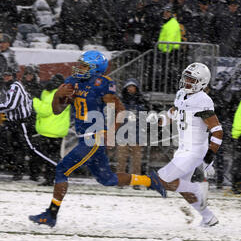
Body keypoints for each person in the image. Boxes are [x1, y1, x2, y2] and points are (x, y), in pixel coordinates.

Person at [29, 50, 166, 227]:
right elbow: (57, 110)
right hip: (83, 137)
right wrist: (58, 95)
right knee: (107, 179)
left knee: (62, 169)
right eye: (79, 64)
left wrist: (111, 132)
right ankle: (149, 180)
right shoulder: (73, 82)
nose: (79, 68)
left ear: (95, 69)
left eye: (84, 66)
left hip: (93, 137)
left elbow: (120, 110)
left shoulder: (101, 84)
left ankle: (51, 214)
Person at [154, 62, 223, 227]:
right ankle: (208, 218)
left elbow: (217, 130)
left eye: (192, 80)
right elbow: (175, 110)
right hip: (183, 148)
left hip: (195, 150)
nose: (187, 82)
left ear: (202, 82)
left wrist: (210, 155)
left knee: (162, 179)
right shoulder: (181, 94)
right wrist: (161, 120)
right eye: (186, 78)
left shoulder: (203, 100)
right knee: (181, 188)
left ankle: (196, 189)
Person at [31, 74, 69, 186]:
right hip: (54, 130)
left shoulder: (54, 94)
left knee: (47, 157)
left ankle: (50, 178)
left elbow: (46, 110)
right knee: (51, 157)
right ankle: (51, 177)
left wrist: (34, 100)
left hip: (50, 130)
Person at [116, 78, 150, 186]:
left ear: (136, 88)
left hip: (137, 134)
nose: (131, 89)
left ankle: (136, 182)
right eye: (129, 87)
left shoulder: (142, 102)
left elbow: (147, 117)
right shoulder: (121, 101)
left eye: (133, 87)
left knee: (136, 161)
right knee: (121, 160)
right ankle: (121, 181)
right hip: (123, 134)